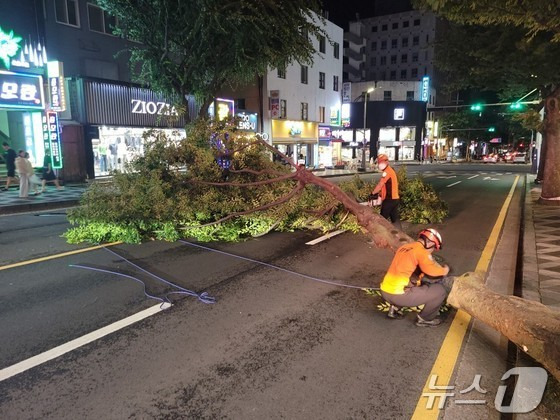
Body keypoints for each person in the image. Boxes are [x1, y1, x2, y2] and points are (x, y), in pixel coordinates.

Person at [380, 228, 450, 327]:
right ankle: (425, 319)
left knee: (414, 284)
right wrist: (444, 271)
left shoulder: (404, 247)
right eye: (434, 247)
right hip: (398, 296)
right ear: (429, 243)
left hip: (385, 291)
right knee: (439, 291)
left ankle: (394, 309)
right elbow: (432, 272)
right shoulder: (421, 252)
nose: (432, 250)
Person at [368, 154, 401, 230]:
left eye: (379, 163)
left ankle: (380, 236)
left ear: (384, 163)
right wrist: (379, 195)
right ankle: (400, 237)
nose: (378, 165)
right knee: (395, 220)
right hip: (395, 199)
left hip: (389, 200)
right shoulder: (390, 170)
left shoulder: (387, 172)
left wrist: (373, 193)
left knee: (381, 220)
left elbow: (380, 184)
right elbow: (385, 187)